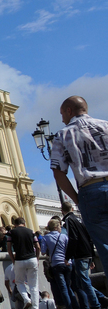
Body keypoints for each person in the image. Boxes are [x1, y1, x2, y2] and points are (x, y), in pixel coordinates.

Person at [50, 96, 108, 275]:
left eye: (62, 114)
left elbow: (58, 172)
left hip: (90, 191)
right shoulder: (106, 125)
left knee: (105, 246)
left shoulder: (63, 134)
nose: (62, 119)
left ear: (69, 111)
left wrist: (77, 199)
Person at [62, 201, 104, 309]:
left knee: (84, 282)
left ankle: (97, 307)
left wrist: (67, 256)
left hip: (80, 254)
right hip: (87, 253)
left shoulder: (69, 220)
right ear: (72, 208)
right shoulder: (79, 219)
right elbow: (89, 238)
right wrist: (91, 255)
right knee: (82, 283)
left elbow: (73, 238)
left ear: (62, 211)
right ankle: (102, 300)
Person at [40, 218, 79, 309]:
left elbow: (43, 251)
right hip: (67, 263)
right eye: (60, 226)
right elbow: (69, 249)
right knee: (69, 287)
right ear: (57, 227)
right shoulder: (64, 236)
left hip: (56, 264)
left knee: (63, 289)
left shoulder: (46, 237)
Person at [7, 217, 40, 309]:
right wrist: (37, 259)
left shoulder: (11, 233)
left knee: (19, 282)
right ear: (24, 223)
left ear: (15, 224)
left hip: (19, 260)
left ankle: (26, 299)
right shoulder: (31, 232)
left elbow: (9, 248)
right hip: (32, 259)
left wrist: (13, 260)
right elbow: (37, 246)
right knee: (34, 285)